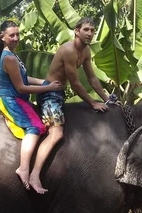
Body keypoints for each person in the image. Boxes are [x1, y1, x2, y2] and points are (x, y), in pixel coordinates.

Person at [29, 17, 112, 194]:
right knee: (56, 134)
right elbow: (75, 83)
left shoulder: (87, 51)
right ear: (77, 31)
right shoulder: (68, 50)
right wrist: (93, 103)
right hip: (49, 93)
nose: (90, 33)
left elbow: (92, 78)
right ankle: (34, 175)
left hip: (59, 93)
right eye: (86, 30)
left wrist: (106, 99)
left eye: (92, 30)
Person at [0, 20, 64, 190]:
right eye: (11, 35)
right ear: (2, 37)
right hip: (11, 99)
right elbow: (20, 87)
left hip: (19, 97)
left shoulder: (13, 55)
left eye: (17, 34)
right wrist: (48, 88)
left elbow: (24, 79)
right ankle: (24, 168)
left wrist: (44, 82)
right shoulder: (9, 58)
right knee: (35, 127)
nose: (15, 38)